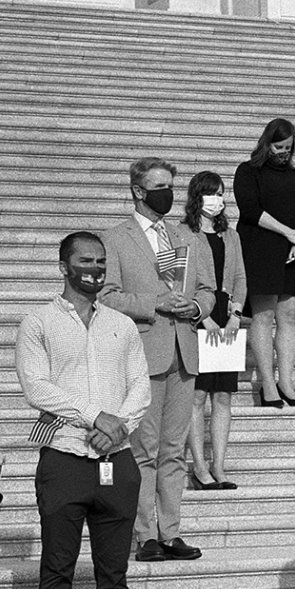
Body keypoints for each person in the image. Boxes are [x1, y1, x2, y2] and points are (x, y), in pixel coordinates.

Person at [15, 232, 153, 589]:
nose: (93, 269)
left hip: (118, 461)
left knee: (114, 574)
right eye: (83, 261)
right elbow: (37, 387)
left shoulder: (122, 324)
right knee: (57, 569)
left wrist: (118, 428)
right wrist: (96, 417)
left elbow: (141, 387)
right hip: (64, 459)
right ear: (63, 266)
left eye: (99, 261)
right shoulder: (38, 322)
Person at [100, 158, 217, 563]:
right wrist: (155, 303)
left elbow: (208, 288)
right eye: (159, 185)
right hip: (144, 353)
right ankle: (144, 534)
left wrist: (196, 308)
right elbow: (108, 295)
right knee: (143, 450)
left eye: (171, 184)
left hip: (184, 351)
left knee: (174, 450)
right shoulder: (116, 238)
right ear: (138, 190)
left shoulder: (187, 234)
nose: (168, 192)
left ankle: (171, 531)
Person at [235, 117, 295, 408]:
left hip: (293, 251)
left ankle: (286, 382)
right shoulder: (248, 171)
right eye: (279, 146)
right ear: (266, 142)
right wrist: (291, 234)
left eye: (289, 147)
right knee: (263, 316)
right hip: (260, 248)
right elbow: (249, 210)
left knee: (288, 316)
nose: (284, 151)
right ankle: (267, 386)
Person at [182, 171, 247, 493]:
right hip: (196, 316)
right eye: (212, 194)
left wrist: (235, 314)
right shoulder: (183, 233)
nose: (217, 200)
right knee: (197, 395)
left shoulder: (230, 235)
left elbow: (239, 277)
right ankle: (200, 467)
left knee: (223, 395)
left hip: (227, 315)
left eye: (222, 194)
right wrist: (202, 318)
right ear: (198, 196)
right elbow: (178, 278)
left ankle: (220, 466)